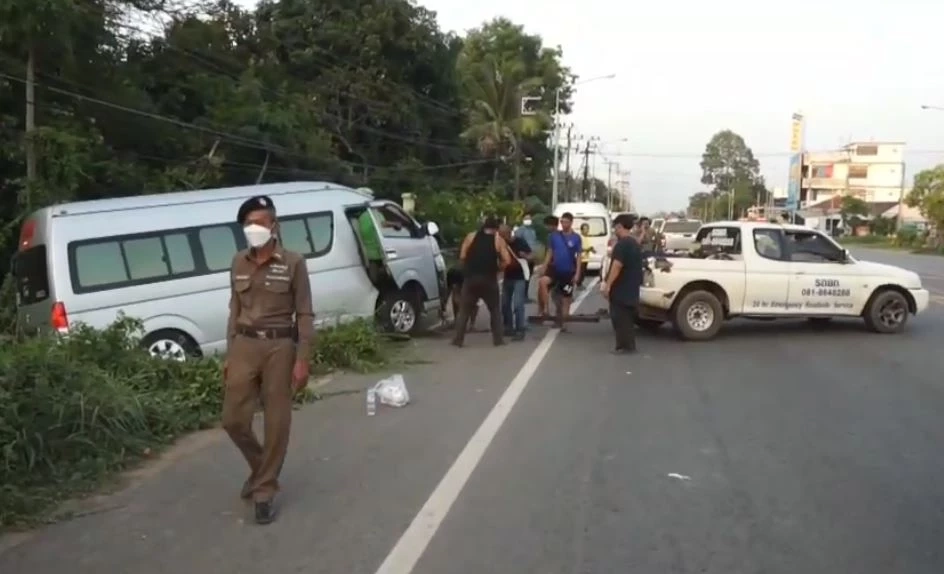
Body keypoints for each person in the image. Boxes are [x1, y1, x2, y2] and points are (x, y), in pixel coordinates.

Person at [223, 195, 314, 525]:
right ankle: (264, 468)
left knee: (277, 420)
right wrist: (230, 353)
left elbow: (304, 313)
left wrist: (303, 358)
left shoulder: (293, 262)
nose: (254, 229)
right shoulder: (238, 262)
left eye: (260, 222)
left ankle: (263, 489)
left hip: (279, 347)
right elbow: (234, 309)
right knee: (233, 419)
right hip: (245, 345)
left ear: (274, 225)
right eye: (248, 224)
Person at [451, 216, 512, 347]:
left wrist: (467, 270)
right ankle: (498, 340)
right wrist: (498, 268)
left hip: (471, 279)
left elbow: (462, 256)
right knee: (495, 310)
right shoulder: (498, 240)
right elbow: (507, 260)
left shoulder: (471, 236)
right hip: (489, 279)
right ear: (496, 229)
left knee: (464, 310)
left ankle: (458, 339)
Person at [602, 213, 643, 354]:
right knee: (628, 318)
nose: (614, 231)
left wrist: (608, 285)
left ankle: (623, 347)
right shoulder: (634, 243)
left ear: (620, 226)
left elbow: (617, 266)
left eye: (615, 228)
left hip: (621, 287)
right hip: (632, 286)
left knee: (619, 317)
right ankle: (629, 345)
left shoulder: (622, 245)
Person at [537, 212, 582, 329]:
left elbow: (579, 257)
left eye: (566, 222)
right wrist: (544, 267)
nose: (563, 224)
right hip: (555, 271)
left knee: (566, 297)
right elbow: (550, 252)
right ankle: (546, 309)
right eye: (562, 222)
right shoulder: (554, 236)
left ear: (571, 222)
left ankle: (562, 320)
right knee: (543, 282)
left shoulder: (576, 238)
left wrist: (577, 273)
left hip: (568, 272)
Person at [499, 223, 532, 341]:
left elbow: (531, 256)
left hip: (519, 277)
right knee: (504, 303)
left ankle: (520, 329)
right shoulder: (501, 244)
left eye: (502, 234)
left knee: (518, 304)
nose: (501, 237)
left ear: (508, 233)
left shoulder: (520, 242)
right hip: (508, 277)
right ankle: (508, 326)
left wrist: (525, 255)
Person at [578, 222, 594, 287]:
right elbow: (579, 248)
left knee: (583, 273)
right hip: (581, 258)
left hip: (586, 258)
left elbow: (588, 247)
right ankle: (578, 284)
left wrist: (592, 249)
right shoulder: (580, 237)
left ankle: (580, 284)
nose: (587, 230)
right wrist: (587, 249)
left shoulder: (586, 237)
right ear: (581, 230)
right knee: (580, 273)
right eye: (585, 229)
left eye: (587, 229)